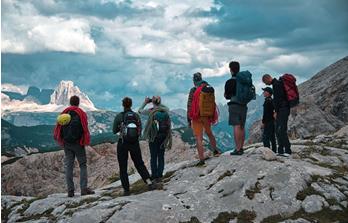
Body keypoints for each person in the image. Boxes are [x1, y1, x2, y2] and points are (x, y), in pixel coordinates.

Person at [113, 97, 156, 196]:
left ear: (123, 105)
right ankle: (149, 182)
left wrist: (121, 128)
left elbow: (114, 130)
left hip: (122, 142)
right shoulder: (136, 115)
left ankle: (126, 190)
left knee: (123, 167)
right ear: (131, 104)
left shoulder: (119, 116)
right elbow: (139, 129)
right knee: (139, 163)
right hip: (134, 143)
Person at [54, 95, 95, 197]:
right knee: (82, 165)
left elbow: (58, 127)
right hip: (78, 143)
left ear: (70, 103)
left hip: (67, 143)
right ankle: (84, 189)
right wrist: (83, 140)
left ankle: (70, 191)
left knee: (69, 166)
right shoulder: (81, 113)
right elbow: (84, 128)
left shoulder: (64, 112)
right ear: (78, 103)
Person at [187, 72, 220, 166]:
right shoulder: (207, 87)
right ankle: (215, 151)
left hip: (196, 116)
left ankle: (202, 159)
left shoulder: (193, 90)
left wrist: (189, 119)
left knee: (198, 138)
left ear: (194, 81)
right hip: (206, 115)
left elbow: (189, 105)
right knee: (209, 133)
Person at [138, 96, 172, 182]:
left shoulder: (151, 111)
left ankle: (154, 175)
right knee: (161, 156)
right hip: (163, 136)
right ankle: (160, 174)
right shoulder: (165, 110)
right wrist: (157, 102)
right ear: (160, 102)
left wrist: (146, 102)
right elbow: (166, 107)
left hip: (153, 137)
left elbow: (139, 111)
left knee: (153, 156)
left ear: (153, 102)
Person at [224, 61, 254, 155]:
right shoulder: (244, 80)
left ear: (231, 70)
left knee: (236, 126)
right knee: (242, 126)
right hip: (243, 105)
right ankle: (241, 147)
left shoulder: (230, 81)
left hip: (234, 105)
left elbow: (227, 96)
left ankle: (237, 149)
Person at [262, 74, 292, 157]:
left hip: (282, 110)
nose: (266, 84)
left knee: (282, 130)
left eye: (265, 82)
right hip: (283, 109)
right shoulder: (277, 84)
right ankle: (281, 150)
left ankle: (287, 150)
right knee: (278, 131)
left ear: (268, 79)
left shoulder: (276, 85)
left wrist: (276, 111)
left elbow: (279, 100)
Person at [261, 87, 277, 153]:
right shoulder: (272, 100)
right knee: (272, 137)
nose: (263, 93)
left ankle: (267, 152)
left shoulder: (267, 101)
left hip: (268, 121)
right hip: (272, 121)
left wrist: (263, 122)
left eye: (264, 91)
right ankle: (274, 151)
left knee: (265, 137)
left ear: (268, 93)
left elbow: (266, 113)